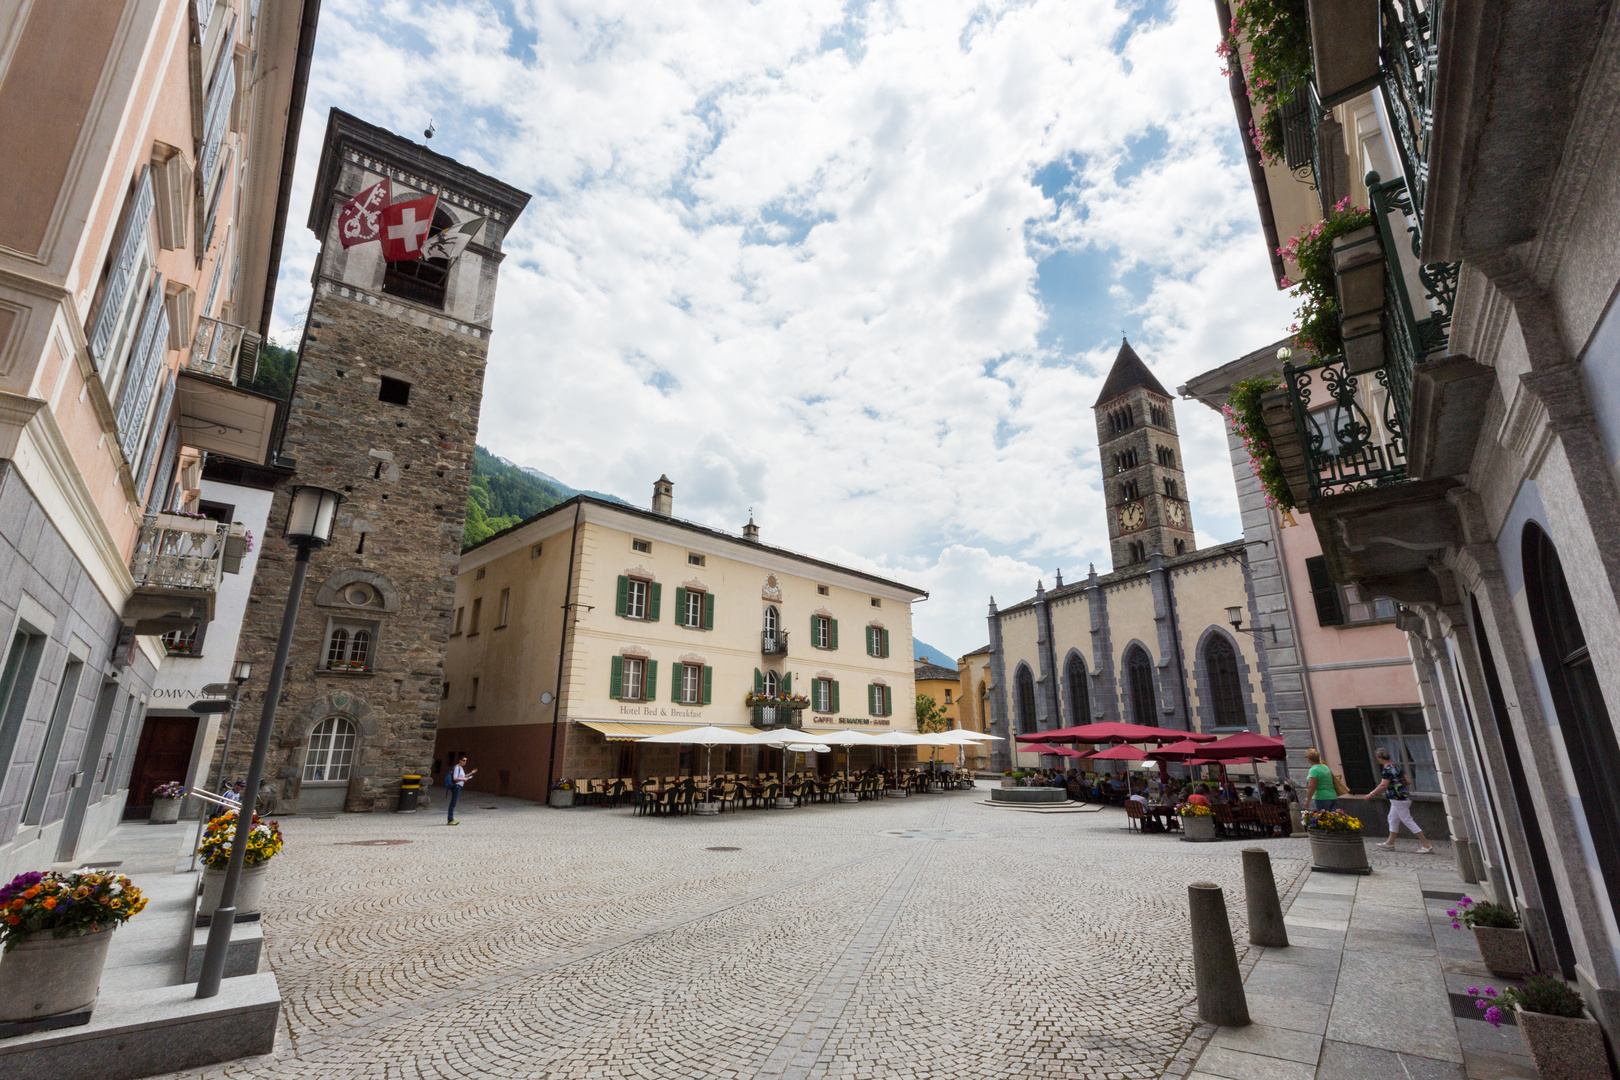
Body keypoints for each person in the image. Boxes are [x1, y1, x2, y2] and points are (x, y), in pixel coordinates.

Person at [1364, 747, 1435, 853]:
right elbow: (1408, 781)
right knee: (1392, 818)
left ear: (1379, 758)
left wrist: (1371, 794)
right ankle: (1390, 843)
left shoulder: (1387, 769)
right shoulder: (1397, 767)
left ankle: (1427, 845)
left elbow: (1383, 785)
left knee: (1407, 820)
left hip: (1397, 798)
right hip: (1404, 796)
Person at [446, 752, 474, 825]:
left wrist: (470, 773)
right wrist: (464, 780)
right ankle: (450, 819)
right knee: (453, 803)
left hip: (459, 786)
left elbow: (463, 776)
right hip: (456, 786)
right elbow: (455, 778)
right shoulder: (457, 767)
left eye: (466, 760)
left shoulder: (461, 768)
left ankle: (451, 819)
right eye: (464, 760)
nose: (465, 762)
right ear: (460, 760)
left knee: (454, 803)